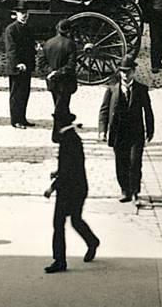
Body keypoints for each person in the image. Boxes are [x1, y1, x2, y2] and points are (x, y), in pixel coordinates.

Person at [44, 109, 99, 273]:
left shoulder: (68, 141)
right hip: (78, 187)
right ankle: (92, 241)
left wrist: (52, 187)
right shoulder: (71, 138)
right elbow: (71, 165)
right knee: (75, 220)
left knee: (58, 223)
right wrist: (57, 172)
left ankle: (59, 261)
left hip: (69, 190)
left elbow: (67, 171)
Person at [97, 56, 154, 202]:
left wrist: (150, 130)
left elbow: (148, 111)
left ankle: (135, 191)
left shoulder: (141, 89)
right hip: (118, 132)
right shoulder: (112, 89)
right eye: (122, 71)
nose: (125, 75)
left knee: (135, 162)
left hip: (136, 132)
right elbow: (104, 111)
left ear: (133, 72)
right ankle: (125, 190)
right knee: (121, 162)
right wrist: (102, 131)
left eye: (128, 71)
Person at [0, 8, 36, 127]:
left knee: (24, 93)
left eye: (26, 13)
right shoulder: (11, 29)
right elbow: (11, 49)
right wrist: (17, 63)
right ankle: (15, 120)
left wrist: (35, 48)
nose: (24, 15)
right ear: (16, 14)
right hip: (17, 67)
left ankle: (22, 118)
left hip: (27, 66)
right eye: (21, 13)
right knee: (16, 94)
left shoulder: (28, 28)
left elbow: (29, 46)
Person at [40, 18, 78, 117]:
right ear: (69, 31)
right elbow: (71, 65)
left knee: (58, 102)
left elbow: (41, 63)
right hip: (65, 80)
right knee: (62, 105)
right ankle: (60, 122)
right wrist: (58, 72)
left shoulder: (48, 43)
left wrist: (51, 72)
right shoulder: (70, 44)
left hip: (51, 79)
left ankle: (65, 118)